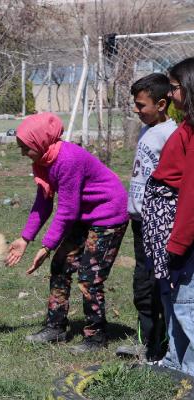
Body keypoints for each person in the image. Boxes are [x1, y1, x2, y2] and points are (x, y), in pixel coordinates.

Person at [6, 112, 128, 354]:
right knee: (60, 265)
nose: (23, 153)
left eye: (25, 148)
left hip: (107, 216)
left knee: (89, 277)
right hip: (85, 215)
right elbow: (43, 203)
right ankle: (56, 327)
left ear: (40, 142)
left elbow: (67, 211)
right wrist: (24, 239)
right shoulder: (42, 161)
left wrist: (47, 246)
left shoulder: (67, 159)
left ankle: (96, 337)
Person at [116, 74, 176, 361]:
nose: (137, 110)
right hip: (139, 223)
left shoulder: (171, 134)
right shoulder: (146, 131)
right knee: (142, 284)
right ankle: (146, 341)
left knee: (158, 284)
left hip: (159, 224)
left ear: (162, 103)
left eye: (142, 106)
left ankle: (161, 346)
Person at [142, 57, 194, 375]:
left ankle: (189, 376)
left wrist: (176, 244)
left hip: (180, 231)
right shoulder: (187, 126)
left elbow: (190, 195)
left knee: (187, 303)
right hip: (169, 226)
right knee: (173, 297)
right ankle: (176, 364)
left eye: (174, 87)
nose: (171, 94)